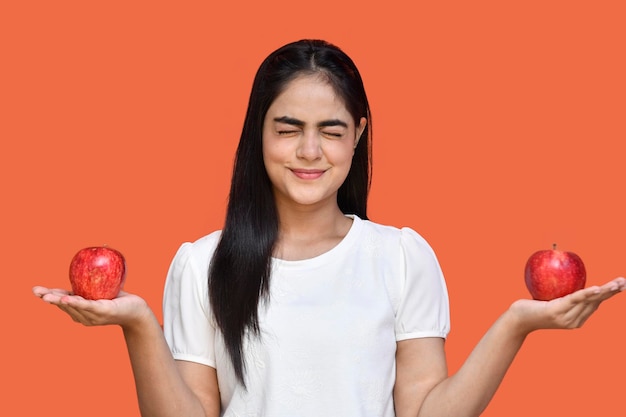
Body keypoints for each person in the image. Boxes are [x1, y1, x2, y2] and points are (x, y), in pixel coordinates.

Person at [33, 39, 625, 417]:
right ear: (257, 134)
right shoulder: (203, 264)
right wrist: (137, 325)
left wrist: (516, 324)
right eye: (288, 128)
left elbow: (424, 415)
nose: (310, 151)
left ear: (358, 135)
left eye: (332, 130)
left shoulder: (399, 257)